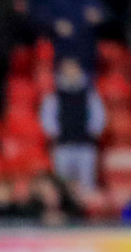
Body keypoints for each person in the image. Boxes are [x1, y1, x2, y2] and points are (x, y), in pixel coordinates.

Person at [40, 57, 106, 198]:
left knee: (87, 184)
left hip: (85, 145)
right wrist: (57, 134)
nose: (71, 73)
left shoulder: (90, 95)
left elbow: (99, 117)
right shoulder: (54, 96)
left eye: (73, 69)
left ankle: (86, 214)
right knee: (62, 185)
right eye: (67, 70)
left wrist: (92, 132)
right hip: (63, 146)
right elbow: (47, 120)